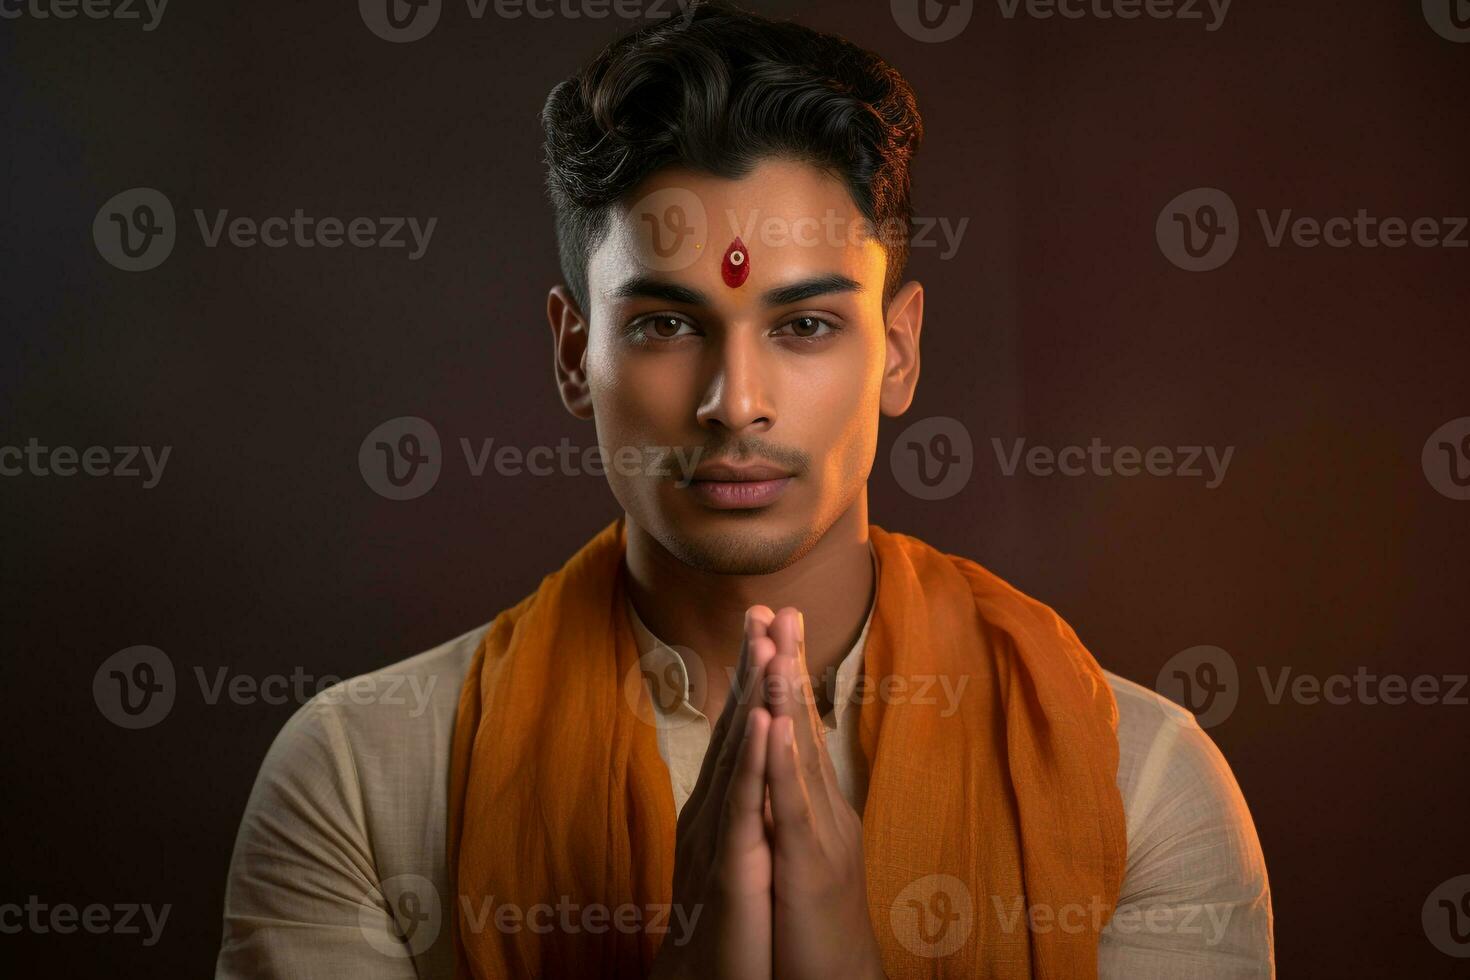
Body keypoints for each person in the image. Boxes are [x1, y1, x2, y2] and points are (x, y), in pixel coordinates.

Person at [216, 4, 1273, 977]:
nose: (734, 402)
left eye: (803, 324)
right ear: (572, 353)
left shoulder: (1134, 783)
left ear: (898, 352)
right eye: (666, 324)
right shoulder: (364, 776)